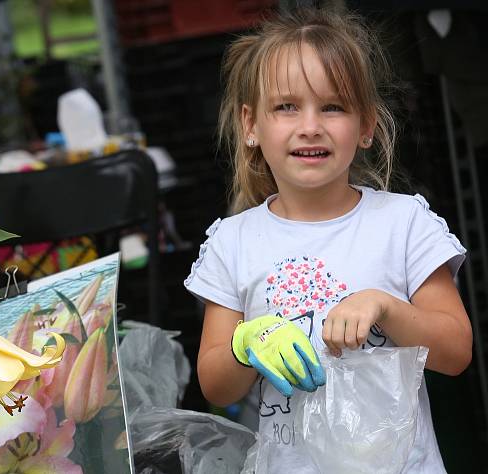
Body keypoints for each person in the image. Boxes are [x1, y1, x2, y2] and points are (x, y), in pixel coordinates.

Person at [184, 8, 472, 473]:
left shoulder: (403, 222)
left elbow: (456, 352)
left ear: (366, 126)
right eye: (286, 106)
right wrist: (246, 343)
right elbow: (217, 387)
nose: (310, 125)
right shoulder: (232, 242)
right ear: (250, 125)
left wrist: (386, 306)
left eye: (332, 106)